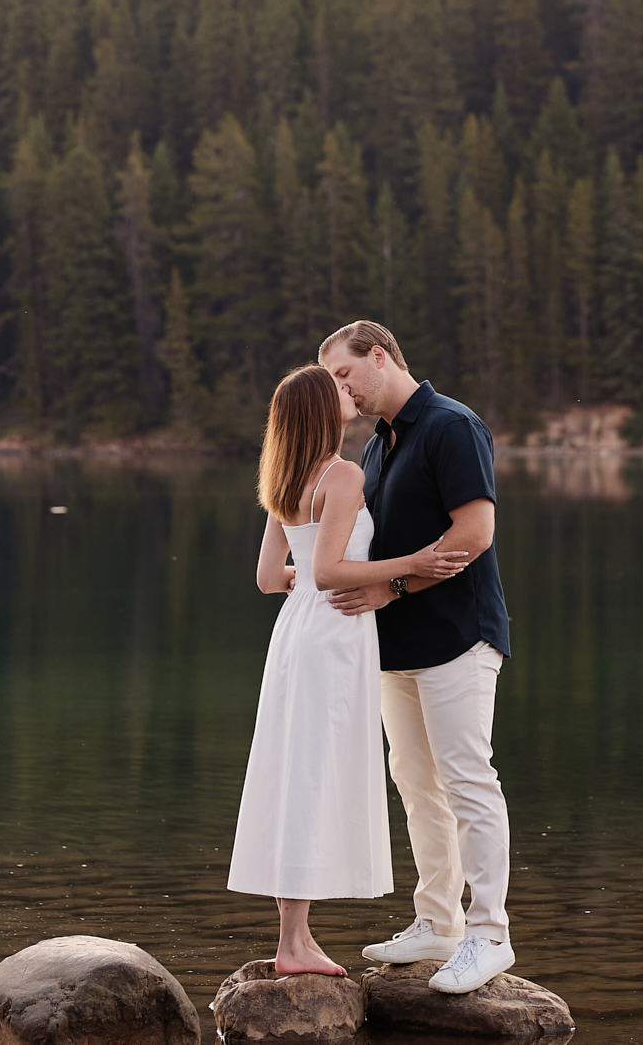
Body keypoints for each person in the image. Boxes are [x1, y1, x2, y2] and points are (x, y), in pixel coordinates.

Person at [229, 363, 471, 974]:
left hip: (297, 635)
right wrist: (408, 562)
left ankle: (296, 937)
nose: (349, 390)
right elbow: (330, 573)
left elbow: (267, 580)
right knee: (313, 774)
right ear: (319, 408)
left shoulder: (284, 478)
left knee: (297, 771)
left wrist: (311, 585)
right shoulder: (340, 474)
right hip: (334, 636)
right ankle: (293, 944)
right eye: (336, 386)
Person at [317, 322, 517, 995]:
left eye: (346, 375)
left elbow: (475, 531)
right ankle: (438, 921)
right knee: (417, 783)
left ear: (380, 356)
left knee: (467, 781)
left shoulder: (450, 424)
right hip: (396, 646)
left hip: (459, 635)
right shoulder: (377, 445)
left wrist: (393, 584)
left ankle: (490, 933)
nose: (342, 392)